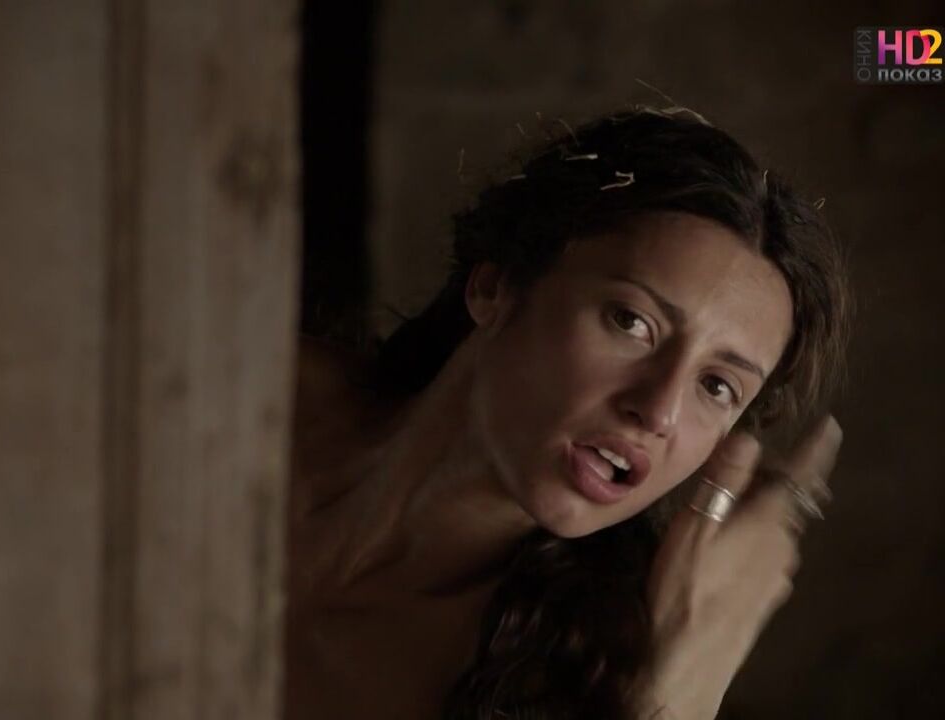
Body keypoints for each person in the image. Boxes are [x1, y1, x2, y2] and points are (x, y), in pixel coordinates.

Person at [285, 108, 852, 720]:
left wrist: (673, 695)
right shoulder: (257, 395)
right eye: (631, 322)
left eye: (716, 386)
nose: (658, 411)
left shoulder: (554, 683)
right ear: (497, 285)